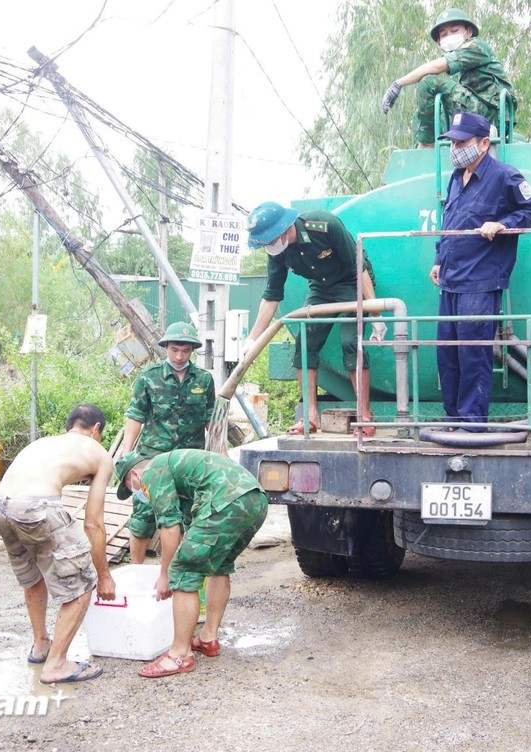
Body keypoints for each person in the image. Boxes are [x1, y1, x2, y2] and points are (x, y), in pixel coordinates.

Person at [432, 111, 531, 429]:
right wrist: (439, 259)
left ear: (484, 143)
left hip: (480, 282)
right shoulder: (456, 177)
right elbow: (450, 223)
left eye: (462, 142)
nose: (455, 148)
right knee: (448, 354)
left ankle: (472, 424)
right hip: (451, 281)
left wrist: (503, 223)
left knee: (473, 355)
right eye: (452, 142)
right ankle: (452, 418)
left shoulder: (503, 176)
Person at [114, 448, 268, 678]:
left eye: (130, 488)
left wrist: (165, 575)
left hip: (225, 499)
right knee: (218, 565)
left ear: (134, 475)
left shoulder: (152, 472)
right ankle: (208, 638)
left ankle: (179, 655)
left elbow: (169, 526)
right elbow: (187, 526)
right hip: (255, 500)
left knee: (183, 569)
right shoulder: (177, 468)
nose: (137, 493)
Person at [0, 403, 115, 684]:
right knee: (82, 584)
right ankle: (57, 664)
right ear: (96, 430)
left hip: (0, 507)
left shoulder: (45, 443)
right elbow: (93, 523)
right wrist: (104, 575)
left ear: (69, 427)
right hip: (36, 507)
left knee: (33, 577)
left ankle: (41, 645)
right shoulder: (99, 453)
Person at [245, 201, 386, 436]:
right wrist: (251, 340)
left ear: (283, 229)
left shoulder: (324, 225)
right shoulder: (277, 252)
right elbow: (272, 297)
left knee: (352, 342)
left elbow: (358, 266)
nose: (268, 246)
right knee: (305, 343)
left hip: (353, 282)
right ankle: (310, 418)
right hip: (322, 290)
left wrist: (375, 313)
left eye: (268, 240)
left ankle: (364, 416)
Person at [121, 321, 215, 563]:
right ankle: (136, 569)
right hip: (153, 460)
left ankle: (173, 573)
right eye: (174, 350)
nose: (179, 356)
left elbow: (210, 421)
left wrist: (219, 453)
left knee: (185, 516)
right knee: (143, 518)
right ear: (166, 348)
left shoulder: (204, 380)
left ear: (192, 350)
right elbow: (135, 415)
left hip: (189, 463)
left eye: (185, 351)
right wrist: (127, 455)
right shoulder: (149, 377)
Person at [381, 7, 517, 147]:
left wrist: (398, 84)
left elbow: (437, 67)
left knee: (429, 82)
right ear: (439, 41)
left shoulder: (475, 46)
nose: (449, 36)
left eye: (454, 30)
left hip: (492, 117)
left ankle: (427, 146)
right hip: (473, 115)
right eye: (444, 34)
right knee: (423, 110)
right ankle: (427, 144)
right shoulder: (454, 69)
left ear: (468, 31)